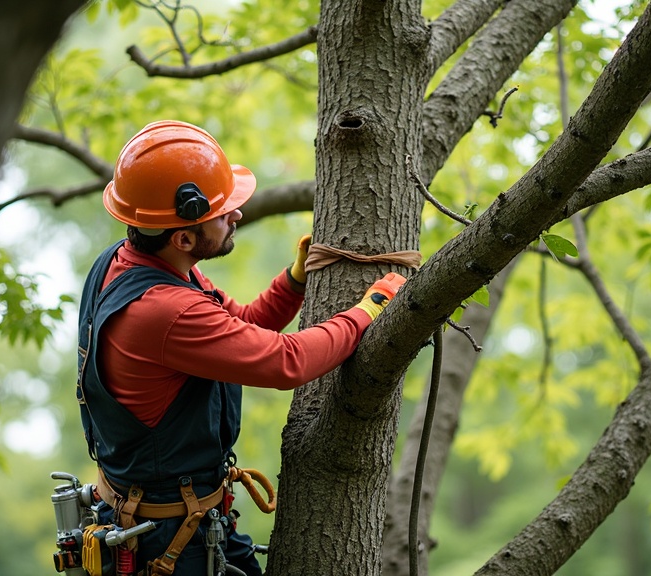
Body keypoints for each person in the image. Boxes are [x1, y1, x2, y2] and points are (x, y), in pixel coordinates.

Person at [76, 120, 406, 576]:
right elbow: (286, 362)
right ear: (184, 237)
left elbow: (239, 326)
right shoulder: (164, 311)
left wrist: (292, 282)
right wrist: (368, 311)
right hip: (171, 544)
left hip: (178, 520)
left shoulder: (137, 263)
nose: (238, 215)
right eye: (224, 211)